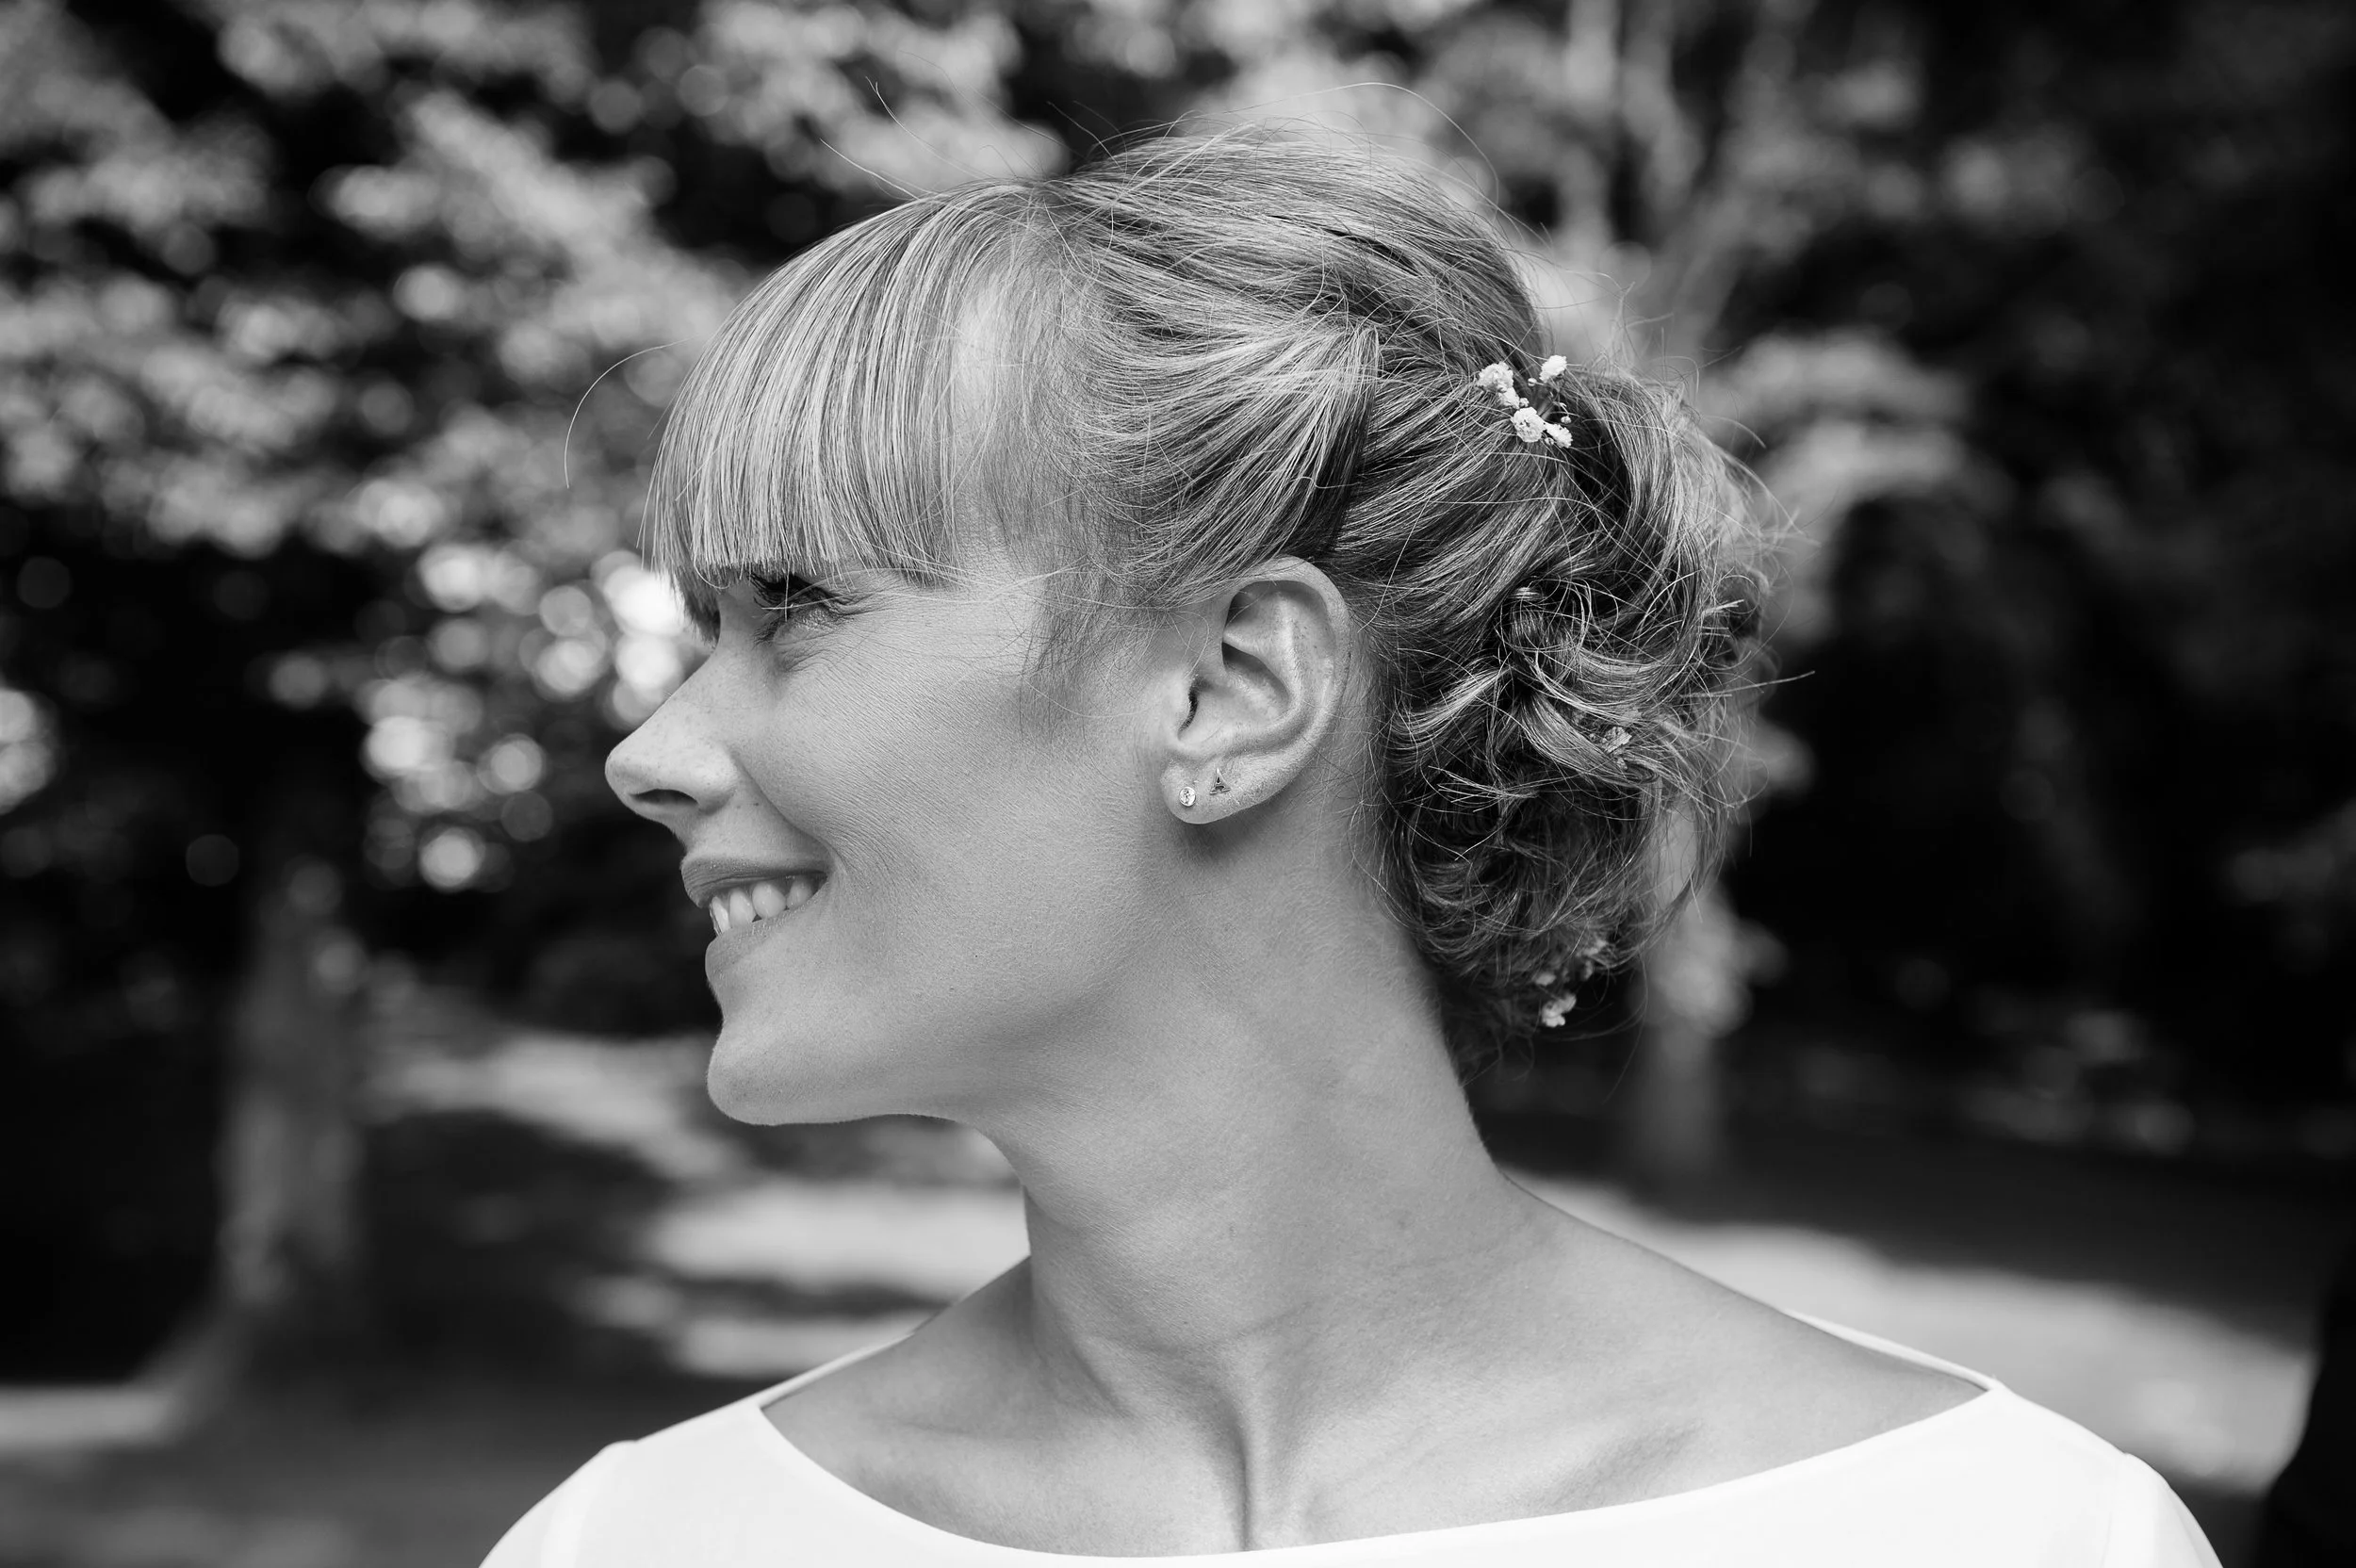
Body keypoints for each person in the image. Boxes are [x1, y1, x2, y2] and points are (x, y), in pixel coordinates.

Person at [484, 132, 2218, 1566]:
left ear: (1237, 691)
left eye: (793, 609)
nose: (652, 755)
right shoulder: (630, 1542)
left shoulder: (2002, 1536)